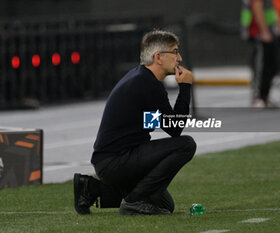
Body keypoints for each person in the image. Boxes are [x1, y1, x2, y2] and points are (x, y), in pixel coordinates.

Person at [73, 30, 196, 216]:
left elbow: (159, 121)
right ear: (158, 57)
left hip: (113, 161)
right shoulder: (146, 84)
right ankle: (134, 202)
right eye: (175, 52)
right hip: (116, 161)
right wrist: (185, 87)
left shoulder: (141, 78)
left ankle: (90, 189)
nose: (179, 58)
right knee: (186, 145)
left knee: (165, 205)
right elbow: (175, 129)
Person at [241, 0, 280, 107]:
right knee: (260, 67)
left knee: (270, 66)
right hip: (259, 34)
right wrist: (264, 31)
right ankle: (257, 97)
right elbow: (257, 7)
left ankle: (264, 96)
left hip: (267, 34)